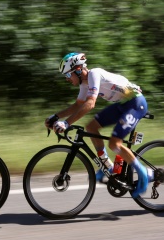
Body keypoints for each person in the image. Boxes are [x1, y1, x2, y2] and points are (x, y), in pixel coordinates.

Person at [45, 52, 152, 197]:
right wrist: (55, 117)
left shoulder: (94, 74)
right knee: (91, 127)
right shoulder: (84, 84)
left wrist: (66, 123)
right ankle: (107, 165)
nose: (67, 79)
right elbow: (77, 105)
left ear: (77, 69)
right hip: (122, 105)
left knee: (115, 144)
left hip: (135, 103)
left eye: (68, 75)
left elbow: (90, 104)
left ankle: (143, 174)